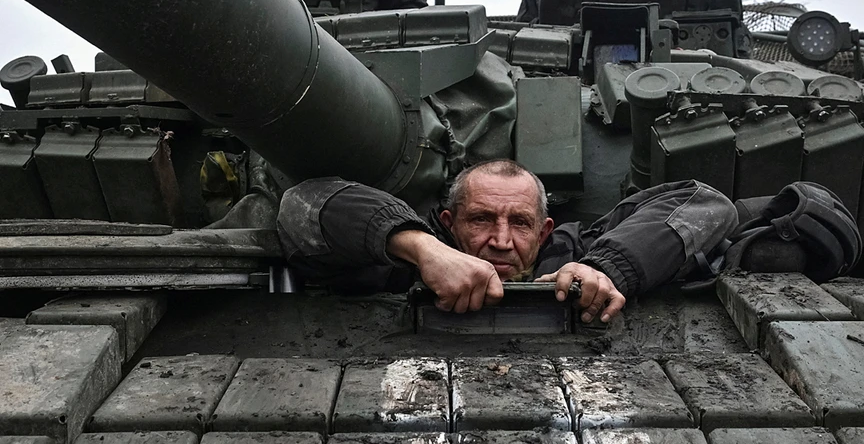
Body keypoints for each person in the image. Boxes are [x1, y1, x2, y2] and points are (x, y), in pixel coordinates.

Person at [276, 160, 738, 323]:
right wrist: (422, 249)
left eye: (519, 223)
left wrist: (606, 270)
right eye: (480, 219)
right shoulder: (407, 257)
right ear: (448, 222)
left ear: (545, 232)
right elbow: (304, 204)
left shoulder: (575, 252)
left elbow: (706, 204)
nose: (500, 240)